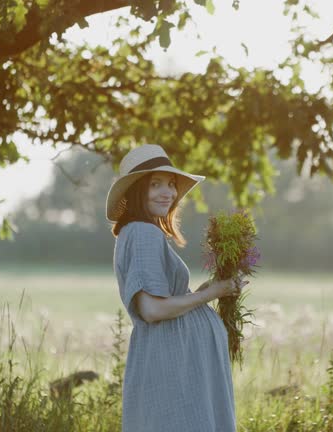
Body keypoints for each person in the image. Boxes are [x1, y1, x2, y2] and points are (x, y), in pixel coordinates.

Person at [107, 144, 250, 432]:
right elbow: (152, 309)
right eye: (155, 184)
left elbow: (164, 299)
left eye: (171, 184)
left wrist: (203, 290)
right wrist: (212, 293)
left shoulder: (137, 231)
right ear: (136, 190)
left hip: (178, 359)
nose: (168, 192)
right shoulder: (143, 232)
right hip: (174, 364)